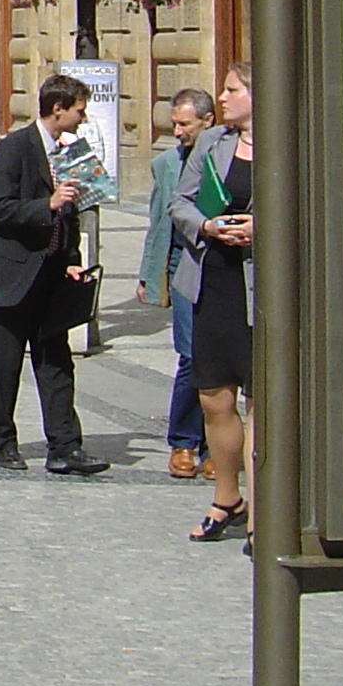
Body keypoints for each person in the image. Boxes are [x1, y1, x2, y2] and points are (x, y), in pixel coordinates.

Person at [0, 73, 108, 475]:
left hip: (51, 274)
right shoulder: (14, 149)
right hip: (14, 274)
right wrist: (47, 204)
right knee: (7, 362)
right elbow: (2, 209)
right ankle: (2, 441)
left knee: (56, 360)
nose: (82, 119)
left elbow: (69, 213)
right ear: (58, 109)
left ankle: (65, 446)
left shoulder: (69, 153)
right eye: (79, 111)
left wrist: (69, 256)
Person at [171, 64, 256, 540]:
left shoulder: (291, 139)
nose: (222, 98)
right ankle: (227, 497)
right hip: (214, 281)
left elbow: (310, 202)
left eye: (232, 89)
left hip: (263, 287)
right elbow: (180, 202)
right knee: (214, 397)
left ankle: (267, 507)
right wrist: (204, 227)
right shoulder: (213, 142)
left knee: (262, 401)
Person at [137, 88, 217, 480]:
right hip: (182, 265)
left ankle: (214, 445)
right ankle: (183, 441)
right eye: (175, 123)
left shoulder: (226, 157)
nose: (178, 131)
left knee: (220, 357)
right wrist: (150, 276)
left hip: (218, 265)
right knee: (190, 355)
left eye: (185, 124)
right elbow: (158, 224)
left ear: (208, 122)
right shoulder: (167, 164)